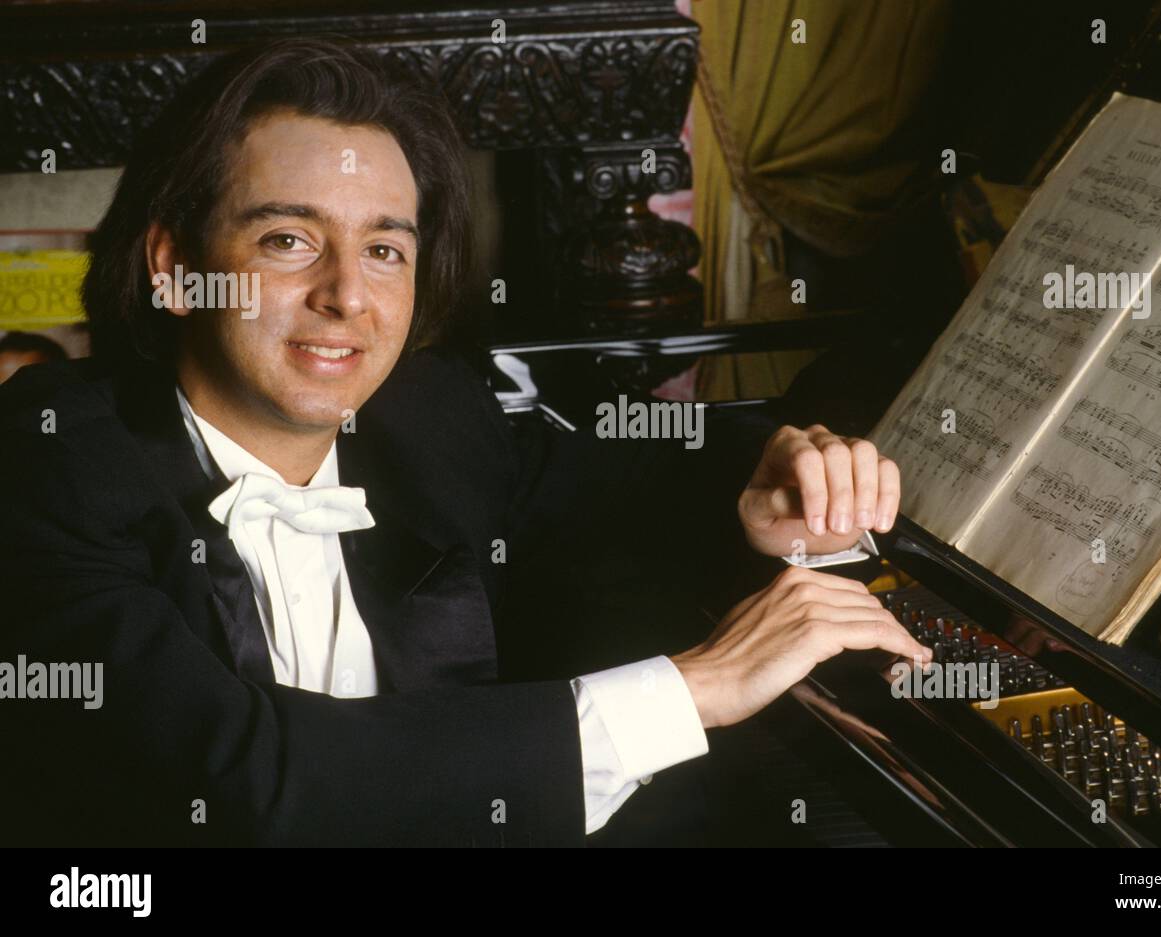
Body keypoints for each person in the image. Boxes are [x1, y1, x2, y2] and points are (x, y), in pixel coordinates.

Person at [0, 38, 927, 847]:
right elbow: (240, 787)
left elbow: (622, 477)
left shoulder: (425, 415)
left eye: (385, 249)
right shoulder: (46, 463)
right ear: (173, 268)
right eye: (288, 239)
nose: (347, 297)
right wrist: (691, 689)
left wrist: (767, 480)